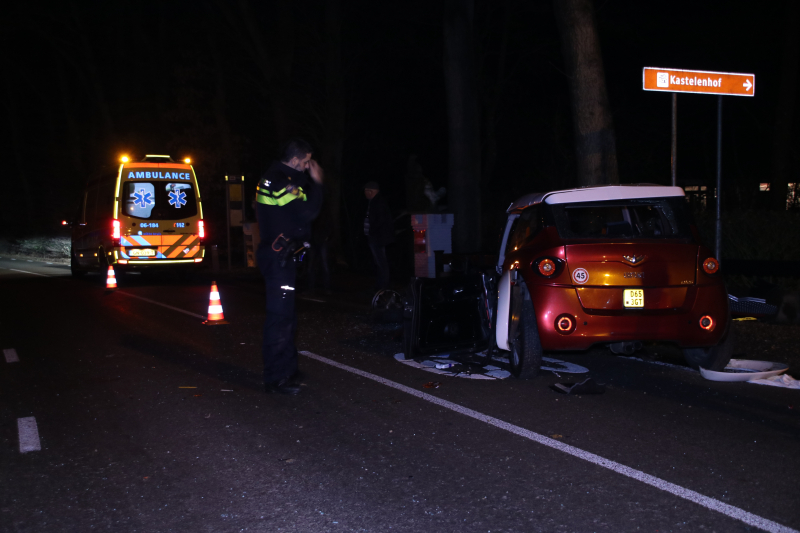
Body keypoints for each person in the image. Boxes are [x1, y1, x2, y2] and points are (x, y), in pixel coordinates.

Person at [255, 138, 323, 395]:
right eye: (306, 162)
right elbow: (307, 213)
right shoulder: (279, 181)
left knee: (288, 317)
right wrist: (318, 183)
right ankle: (276, 378)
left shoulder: (281, 178)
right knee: (280, 318)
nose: (308, 167)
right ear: (295, 160)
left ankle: (288, 368)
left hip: (284, 256)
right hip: (278, 257)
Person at [363, 181, 394, 290]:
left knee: (381, 262)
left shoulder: (378, 202)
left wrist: (372, 231)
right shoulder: (374, 202)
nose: (365, 193)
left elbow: (380, 221)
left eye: (366, 191)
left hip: (378, 238)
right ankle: (380, 285)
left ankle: (383, 286)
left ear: (371, 191)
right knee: (379, 262)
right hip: (375, 237)